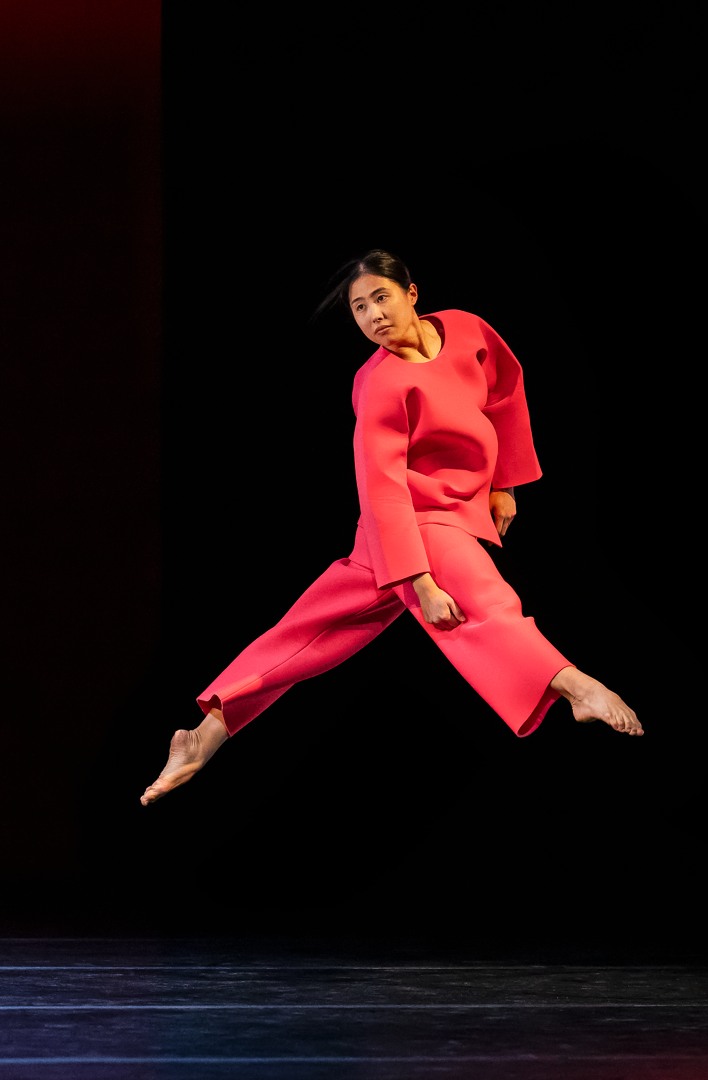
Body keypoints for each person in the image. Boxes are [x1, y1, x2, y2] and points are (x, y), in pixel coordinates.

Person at [141, 249, 641, 807]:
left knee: (312, 633)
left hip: (425, 525)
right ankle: (576, 685)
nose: (373, 315)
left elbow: (505, 393)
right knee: (485, 601)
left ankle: (205, 735)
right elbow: (381, 489)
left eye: (380, 297)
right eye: (359, 308)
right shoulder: (378, 384)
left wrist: (505, 482)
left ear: (412, 293)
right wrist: (421, 580)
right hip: (412, 521)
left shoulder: (467, 330)